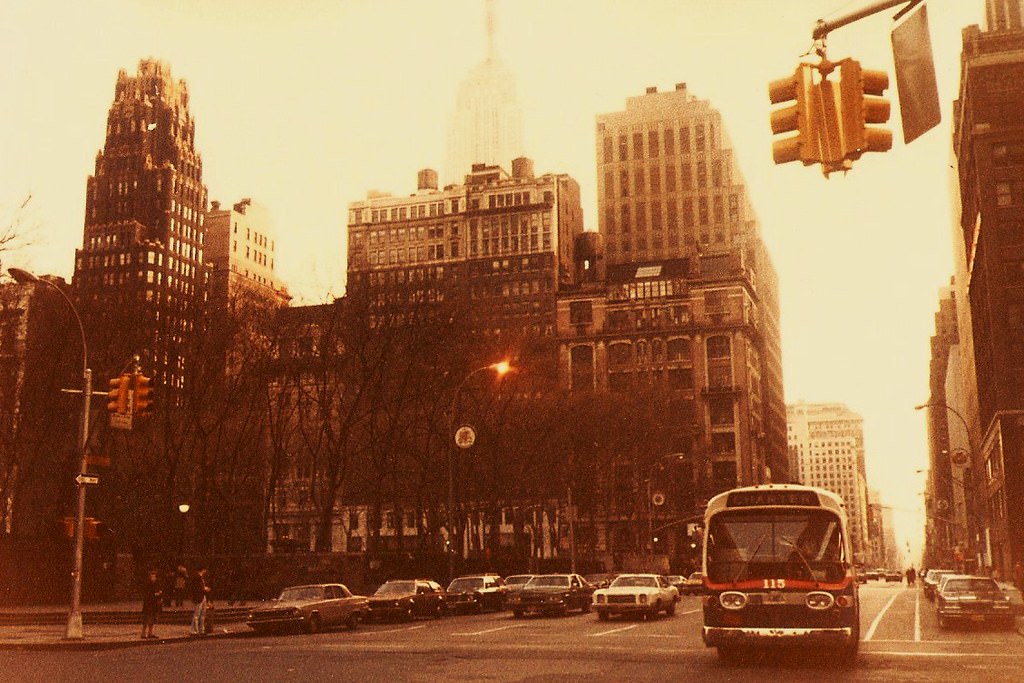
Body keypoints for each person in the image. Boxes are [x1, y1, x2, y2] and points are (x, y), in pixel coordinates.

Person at [189, 566, 212, 636]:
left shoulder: (200, 577)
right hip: (199, 597)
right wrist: (204, 589)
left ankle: (201, 629)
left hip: (202, 596)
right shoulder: (197, 577)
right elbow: (197, 588)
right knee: (197, 614)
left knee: (202, 614)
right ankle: (194, 631)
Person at [140, 569, 162, 639]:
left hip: (154, 604)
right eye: (152, 576)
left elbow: (159, 591)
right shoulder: (147, 584)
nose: (153, 578)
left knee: (152, 619)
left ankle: (150, 632)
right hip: (148, 604)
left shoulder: (156, 584)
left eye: (154, 576)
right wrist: (156, 594)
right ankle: (143, 633)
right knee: (146, 619)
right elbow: (147, 594)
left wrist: (159, 595)